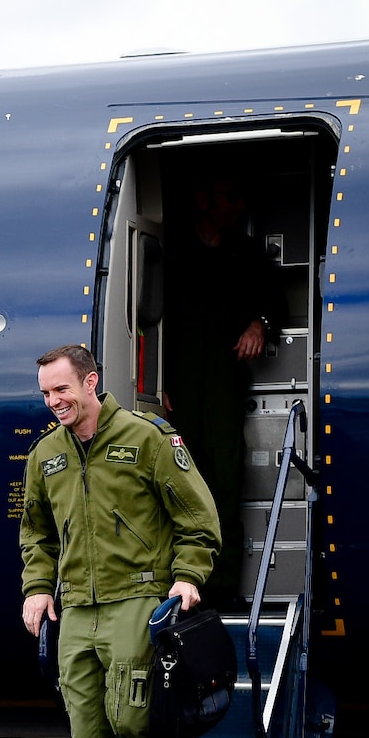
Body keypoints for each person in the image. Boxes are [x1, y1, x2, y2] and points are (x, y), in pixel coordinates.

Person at [21, 344, 222, 738]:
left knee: (133, 717)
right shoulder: (47, 456)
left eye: (61, 389)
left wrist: (188, 577)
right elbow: (35, 531)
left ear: (91, 383)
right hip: (77, 610)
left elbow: (197, 515)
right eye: (45, 392)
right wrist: (38, 587)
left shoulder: (147, 437)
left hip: (138, 598)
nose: (53, 401)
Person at [161, 172, 285, 594]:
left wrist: (259, 324)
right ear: (203, 199)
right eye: (229, 197)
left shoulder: (246, 255)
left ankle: (225, 590)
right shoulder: (170, 253)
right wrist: (156, 379)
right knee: (177, 491)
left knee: (225, 492)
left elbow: (276, 303)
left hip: (224, 390)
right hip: (178, 394)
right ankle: (180, 588)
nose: (238, 207)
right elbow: (147, 322)